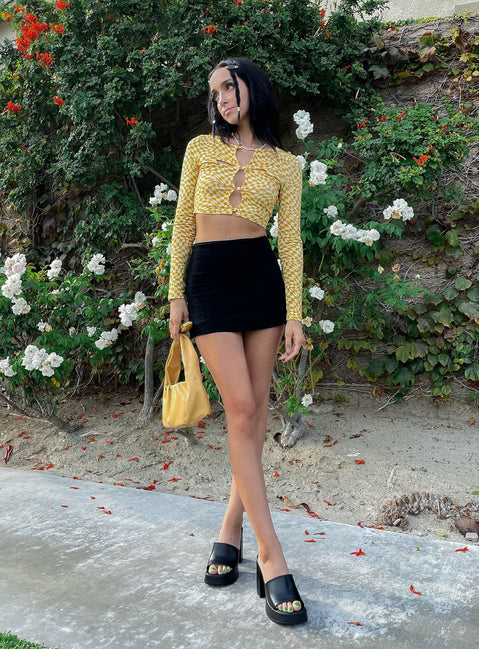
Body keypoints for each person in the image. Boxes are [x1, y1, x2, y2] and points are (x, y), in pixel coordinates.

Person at [168, 57, 307, 625]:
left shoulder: (286, 165)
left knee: (252, 416)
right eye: (215, 92)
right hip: (208, 282)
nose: (222, 98)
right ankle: (272, 558)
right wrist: (175, 294)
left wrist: (294, 313)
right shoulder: (200, 149)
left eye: (229, 86)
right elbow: (183, 223)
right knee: (242, 407)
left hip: (260, 283)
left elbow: (290, 241)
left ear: (253, 86)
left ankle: (230, 529)